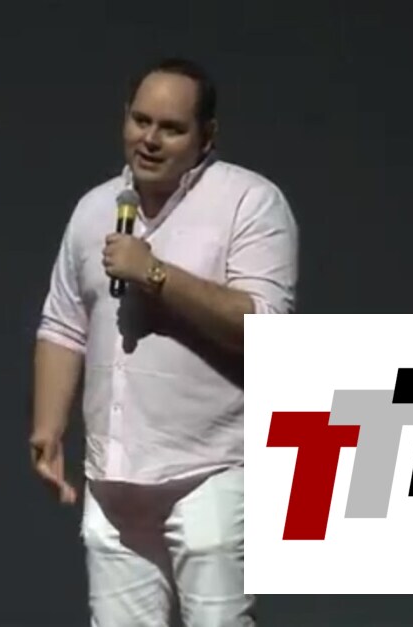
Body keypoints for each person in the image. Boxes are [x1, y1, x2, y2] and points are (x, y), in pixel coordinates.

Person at [29, 57, 298, 627]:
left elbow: (269, 330)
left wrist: (155, 274)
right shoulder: (95, 209)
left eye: (171, 128)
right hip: (114, 479)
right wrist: (49, 427)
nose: (149, 139)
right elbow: (64, 324)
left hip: (212, 468)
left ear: (207, 136)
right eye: (140, 120)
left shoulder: (249, 202)